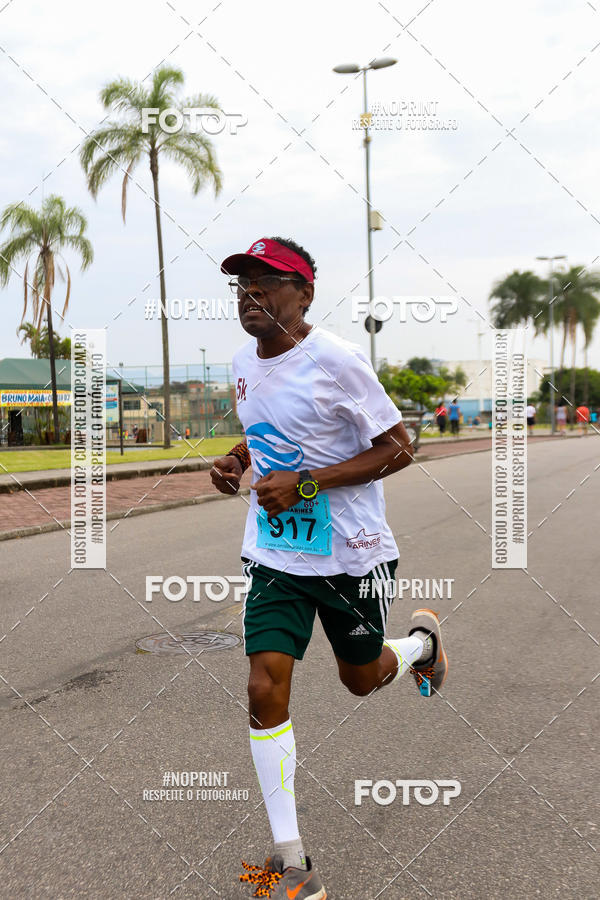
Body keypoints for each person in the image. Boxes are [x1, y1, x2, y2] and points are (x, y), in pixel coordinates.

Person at [210, 237, 448, 899]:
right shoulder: (242, 362)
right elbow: (268, 429)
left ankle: (421, 647)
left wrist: (307, 484)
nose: (251, 294)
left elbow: (399, 447)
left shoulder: (337, 359)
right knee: (264, 686)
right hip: (276, 555)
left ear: (304, 293)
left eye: (266, 281)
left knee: (361, 678)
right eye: (242, 284)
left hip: (353, 555)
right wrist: (237, 460)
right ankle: (292, 859)